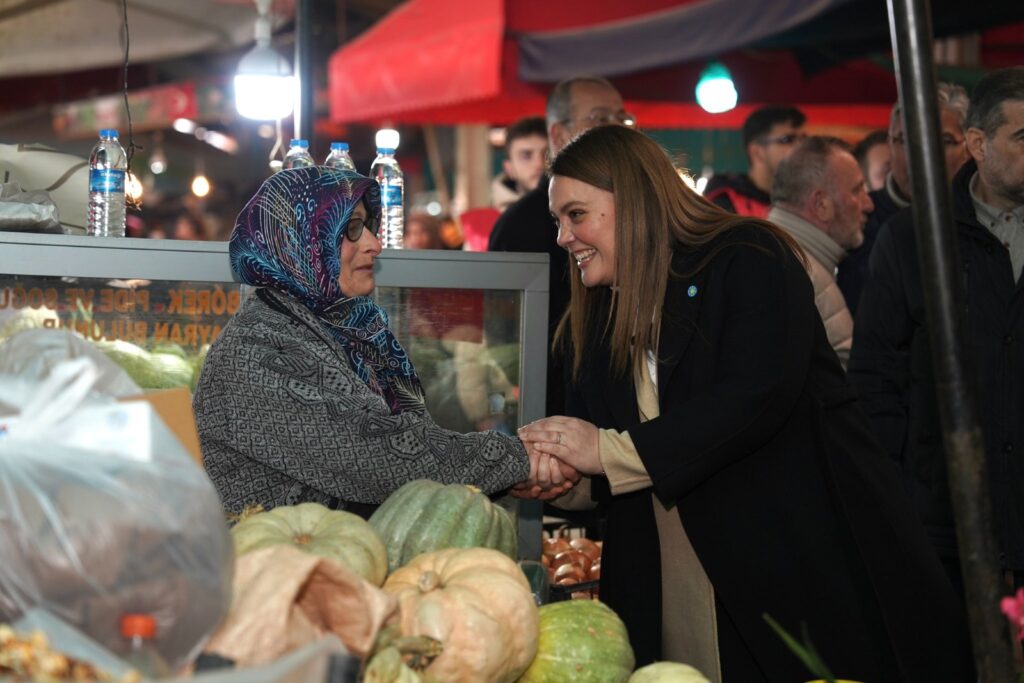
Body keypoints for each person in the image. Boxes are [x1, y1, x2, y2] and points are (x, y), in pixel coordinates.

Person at [516, 125, 973, 682]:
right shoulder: (600, 315)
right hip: (669, 582)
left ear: (633, 199)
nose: (563, 237)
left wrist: (603, 451)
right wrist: (567, 477)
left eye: (577, 214)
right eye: (559, 220)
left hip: (788, 568)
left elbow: (753, 400)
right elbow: (613, 455)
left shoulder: (748, 257)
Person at [192, 167, 571, 517]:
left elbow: (409, 442)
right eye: (351, 228)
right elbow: (381, 457)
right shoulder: (258, 351)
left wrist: (505, 475)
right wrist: (518, 459)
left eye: (368, 225)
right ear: (298, 242)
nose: (374, 243)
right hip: (275, 576)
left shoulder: (343, 327)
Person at [849, 66, 1024, 597]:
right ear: (977, 143)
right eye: (1023, 136)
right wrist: (904, 495)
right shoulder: (913, 239)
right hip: (943, 521)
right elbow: (876, 377)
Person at [488, 76, 634, 416]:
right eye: (600, 119)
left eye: (622, 119)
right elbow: (505, 342)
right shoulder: (520, 225)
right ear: (558, 134)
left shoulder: (636, 210)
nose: (565, 236)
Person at [838, 82, 971, 314]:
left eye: (944, 141)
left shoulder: (985, 221)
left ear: (970, 147)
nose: (922, 154)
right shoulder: (858, 219)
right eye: (905, 139)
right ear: (889, 144)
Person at [768, 136, 874, 368]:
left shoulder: (781, 259)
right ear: (821, 205)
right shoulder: (798, 273)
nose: (868, 204)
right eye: (857, 190)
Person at [704, 105, 806, 218]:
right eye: (787, 139)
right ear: (757, 152)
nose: (801, 147)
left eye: (804, 139)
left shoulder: (806, 204)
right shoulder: (724, 206)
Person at [492, 116, 548, 212]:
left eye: (548, 154)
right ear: (509, 169)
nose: (539, 164)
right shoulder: (483, 223)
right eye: (526, 155)